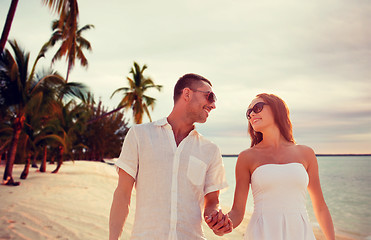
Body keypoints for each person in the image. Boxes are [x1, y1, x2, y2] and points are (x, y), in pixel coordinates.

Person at [109, 73, 231, 240]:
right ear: (187, 94)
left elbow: (212, 202)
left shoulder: (210, 150)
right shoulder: (139, 135)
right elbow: (122, 194)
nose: (213, 105)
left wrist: (218, 221)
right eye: (209, 96)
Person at [207, 93, 335, 239]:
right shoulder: (247, 157)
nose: (252, 114)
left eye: (257, 107)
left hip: (300, 232)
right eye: (248, 112)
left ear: (277, 110)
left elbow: (320, 207)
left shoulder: (306, 153)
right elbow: (237, 212)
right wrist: (222, 226)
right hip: (262, 233)